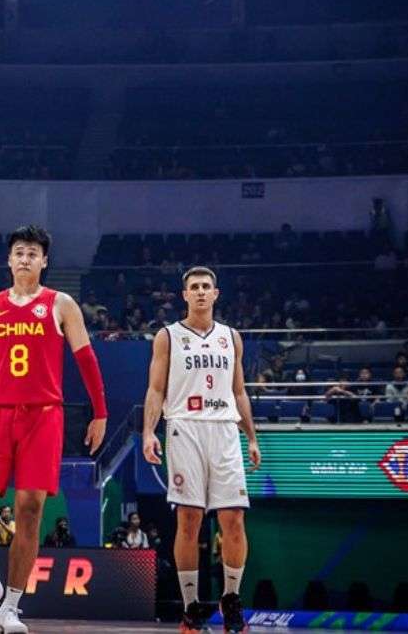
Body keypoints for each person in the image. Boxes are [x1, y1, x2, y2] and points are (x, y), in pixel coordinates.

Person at [0, 226, 108, 634]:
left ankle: (11, 605)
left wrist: (100, 413)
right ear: (9, 260)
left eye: (33, 253)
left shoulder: (61, 304)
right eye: (19, 252)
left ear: (44, 262)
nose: (25, 258)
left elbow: (87, 359)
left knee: (29, 511)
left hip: (44, 416)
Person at [142, 266, 261, 634]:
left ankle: (231, 599)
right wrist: (148, 431)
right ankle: (191, 608)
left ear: (216, 293)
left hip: (224, 430)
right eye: (193, 287)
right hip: (184, 428)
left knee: (234, 520)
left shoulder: (231, 337)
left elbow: (239, 391)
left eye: (206, 287)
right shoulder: (167, 336)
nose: (200, 292)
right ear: (184, 295)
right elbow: (156, 389)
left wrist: (252, 436)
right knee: (189, 520)